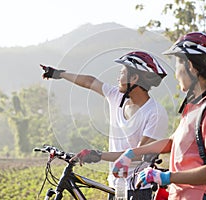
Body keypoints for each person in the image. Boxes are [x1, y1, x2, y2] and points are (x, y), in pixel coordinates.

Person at [111, 32, 206, 200]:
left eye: (177, 66)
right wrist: (131, 153)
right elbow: (171, 142)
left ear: (190, 66)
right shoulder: (194, 107)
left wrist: (167, 177)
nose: (176, 75)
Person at [40, 51, 169, 200]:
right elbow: (90, 82)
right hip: (115, 185)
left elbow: (139, 154)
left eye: (122, 73)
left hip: (138, 188)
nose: (117, 77)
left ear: (134, 78)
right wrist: (58, 74)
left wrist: (98, 155)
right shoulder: (116, 97)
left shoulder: (155, 113)